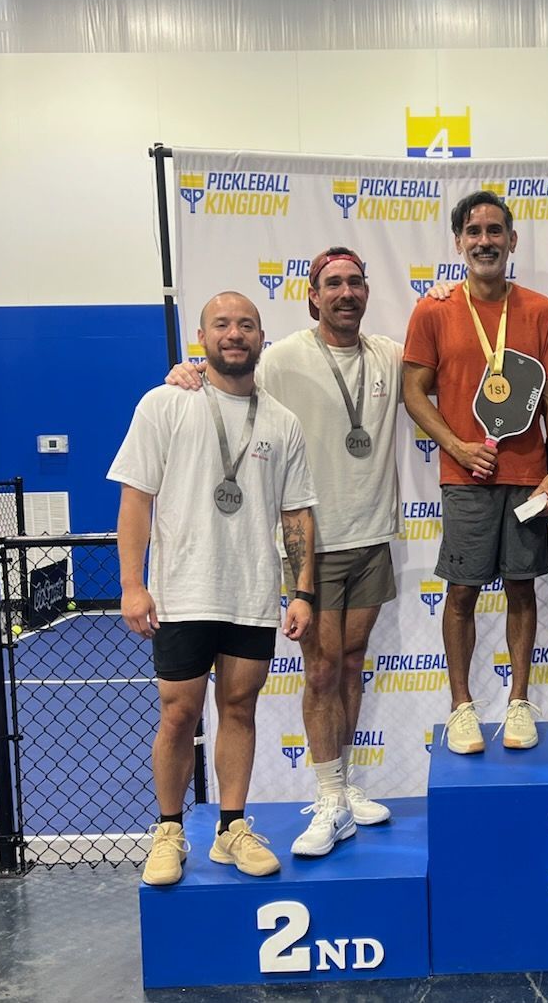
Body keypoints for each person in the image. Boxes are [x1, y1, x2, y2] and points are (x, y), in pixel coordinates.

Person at [167, 248, 402, 860]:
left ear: (366, 292)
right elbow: (228, 381)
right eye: (332, 284)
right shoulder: (281, 357)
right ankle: (326, 799)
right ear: (313, 296)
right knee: (321, 671)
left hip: (373, 538)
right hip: (313, 547)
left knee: (351, 666)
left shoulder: (388, 357)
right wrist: (183, 374)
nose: (345, 292)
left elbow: (438, 379)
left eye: (355, 281)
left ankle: (341, 789)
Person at [110, 292, 317, 887]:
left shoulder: (281, 421)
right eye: (222, 324)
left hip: (251, 594)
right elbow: (136, 499)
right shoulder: (165, 403)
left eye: (246, 325)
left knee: (239, 708)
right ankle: (169, 831)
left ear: (260, 337)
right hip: (182, 592)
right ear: (201, 336)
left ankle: (231, 827)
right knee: (178, 713)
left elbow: (297, 515)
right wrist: (131, 584)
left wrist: (300, 592)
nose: (235, 334)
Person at [403, 190, 548, 753]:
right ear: (458, 243)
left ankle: (519, 703)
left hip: (527, 476)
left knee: (522, 590)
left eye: (494, 231)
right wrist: (457, 445)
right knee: (462, 592)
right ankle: (462, 708)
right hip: (465, 476)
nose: (484, 241)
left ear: (512, 240)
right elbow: (413, 391)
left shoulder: (539, 309)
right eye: (473, 232)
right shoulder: (433, 310)